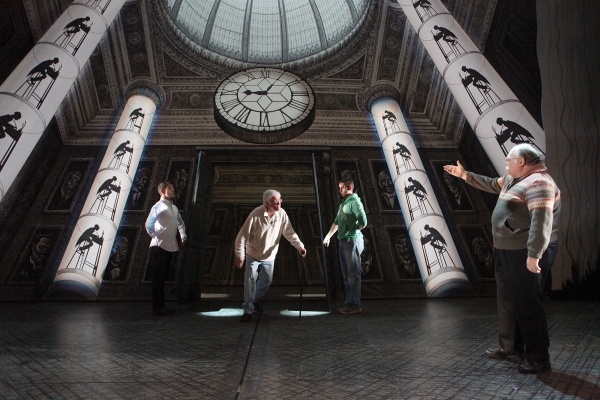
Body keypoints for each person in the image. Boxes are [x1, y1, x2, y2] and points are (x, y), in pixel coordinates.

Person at [443, 143, 560, 374]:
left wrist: (534, 255)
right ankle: (510, 348)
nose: (506, 163)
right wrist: (465, 175)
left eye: (509, 160)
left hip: (524, 251)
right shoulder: (512, 179)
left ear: (522, 162)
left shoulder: (539, 183)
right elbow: (490, 183)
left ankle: (538, 358)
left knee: (527, 304)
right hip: (505, 248)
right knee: (507, 299)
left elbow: (541, 223)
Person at [235, 189, 307, 322]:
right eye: (275, 202)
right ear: (266, 203)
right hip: (253, 253)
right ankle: (248, 310)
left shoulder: (282, 214)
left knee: (266, 281)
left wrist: (300, 246)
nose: (279, 205)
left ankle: (254, 299)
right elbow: (241, 237)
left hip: (270, 256)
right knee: (250, 281)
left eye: (280, 201)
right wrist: (240, 255)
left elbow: (289, 233)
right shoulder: (255, 214)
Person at [323, 179, 367, 315]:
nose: (340, 190)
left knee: (353, 275)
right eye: (339, 187)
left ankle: (354, 305)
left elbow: (363, 221)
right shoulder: (344, 203)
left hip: (352, 241)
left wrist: (352, 230)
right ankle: (349, 303)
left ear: (349, 187)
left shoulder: (354, 201)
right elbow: (336, 222)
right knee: (347, 275)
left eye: (342, 188)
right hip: (343, 242)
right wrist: (328, 236)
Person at [145, 181, 187, 316]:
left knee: (163, 277)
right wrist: (156, 236)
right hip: (159, 246)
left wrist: (183, 234)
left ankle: (161, 305)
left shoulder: (174, 208)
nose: (173, 190)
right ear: (163, 191)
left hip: (170, 246)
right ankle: (157, 307)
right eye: (170, 188)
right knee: (158, 278)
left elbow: (180, 222)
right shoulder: (158, 206)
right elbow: (148, 224)